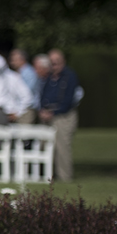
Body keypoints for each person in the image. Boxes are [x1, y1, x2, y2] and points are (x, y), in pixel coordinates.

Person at [39, 49, 79, 182]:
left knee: (62, 146)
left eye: (57, 62)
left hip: (63, 115)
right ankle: (47, 175)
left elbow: (68, 99)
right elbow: (43, 94)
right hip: (47, 113)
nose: (54, 65)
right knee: (44, 145)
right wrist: (43, 110)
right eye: (52, 63)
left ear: (63, 62)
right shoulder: (48, 77)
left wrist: (53, 112)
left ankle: (65, 177)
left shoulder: (69, 76)